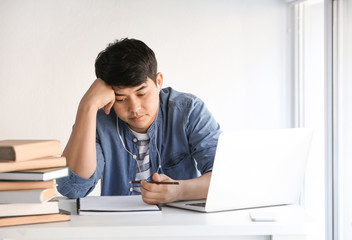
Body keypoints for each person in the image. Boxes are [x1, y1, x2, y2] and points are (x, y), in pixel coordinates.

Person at [57, 38, 221, 204]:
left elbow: (226, 177)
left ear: (158, 82)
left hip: (179, 225)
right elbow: (72, 189)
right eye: (121, 99)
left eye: (141, 94)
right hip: (121, 226)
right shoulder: (99, 119)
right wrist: (87, 106)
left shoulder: (188, 111)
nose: (134, 108)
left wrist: (179, 191)